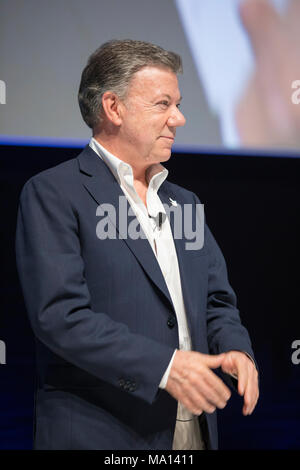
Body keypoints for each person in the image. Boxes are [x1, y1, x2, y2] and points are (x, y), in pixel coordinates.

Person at [15, 39, 259, 450]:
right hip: (104, 432)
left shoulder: (184, 202)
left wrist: (235, 348)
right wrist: (165, 367)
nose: (178, 119)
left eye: (178, 104)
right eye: (163, 104)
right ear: (114, 108)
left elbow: (217, 301)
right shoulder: (53, 194)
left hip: (193, 431)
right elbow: (61, 317)